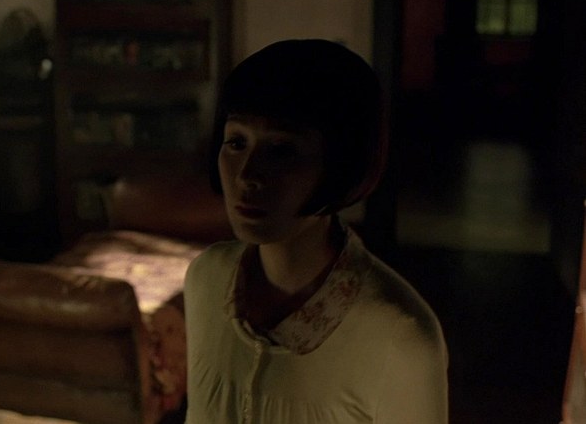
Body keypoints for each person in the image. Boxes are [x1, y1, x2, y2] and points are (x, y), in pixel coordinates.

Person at [183, 39, 448, 423]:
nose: (247, 175)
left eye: (282, 149)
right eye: (237, 142)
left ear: (340, 163)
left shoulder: (400, 338)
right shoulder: (207, 280)